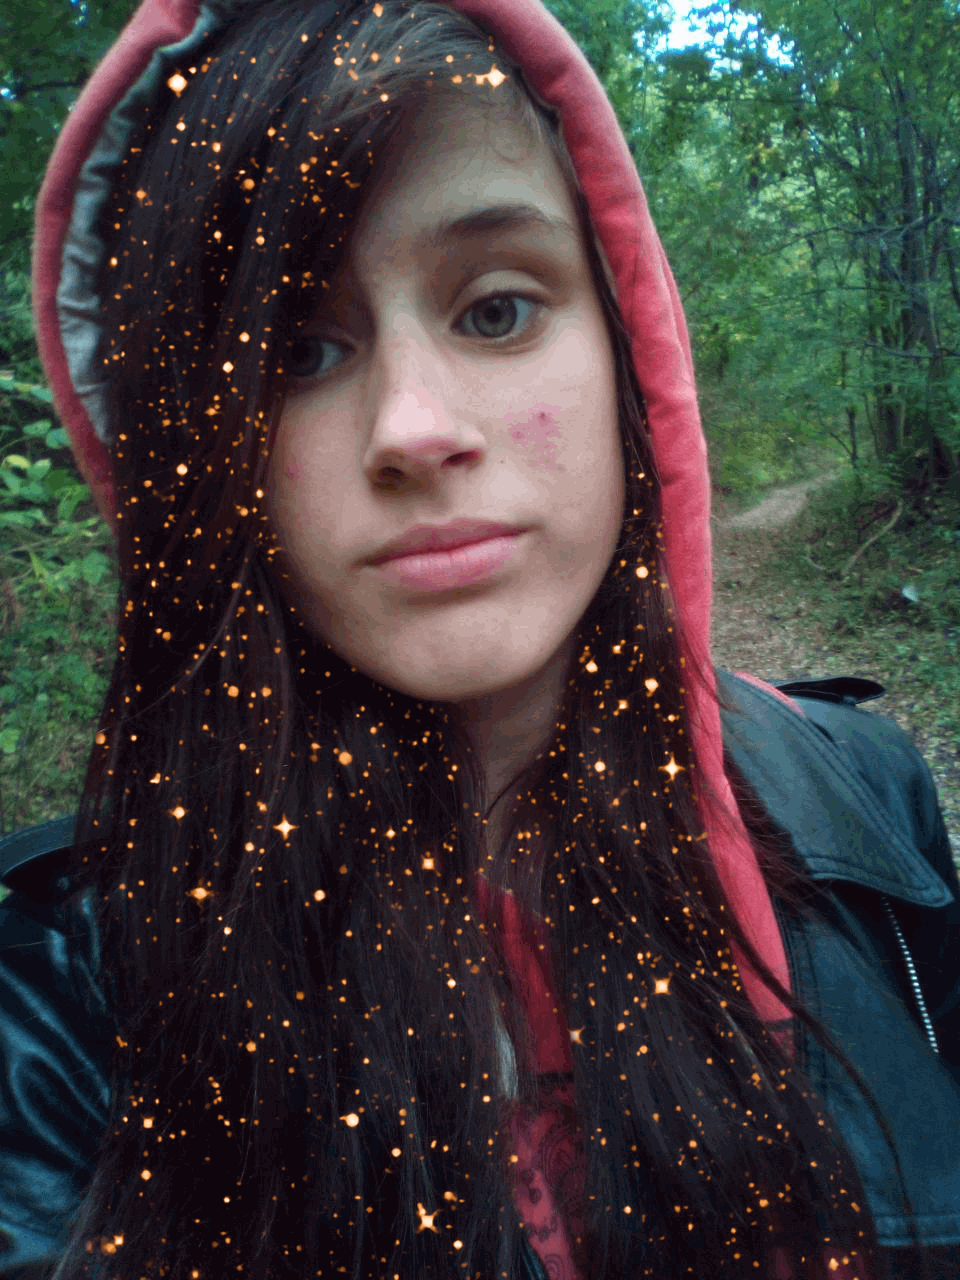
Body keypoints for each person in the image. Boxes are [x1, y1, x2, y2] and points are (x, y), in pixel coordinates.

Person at [15, 0, 959, 1276]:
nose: (414, 426)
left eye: (499, 310)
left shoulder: (868, 798)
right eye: (299, 349)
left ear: (627, 351)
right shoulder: (61, 999)